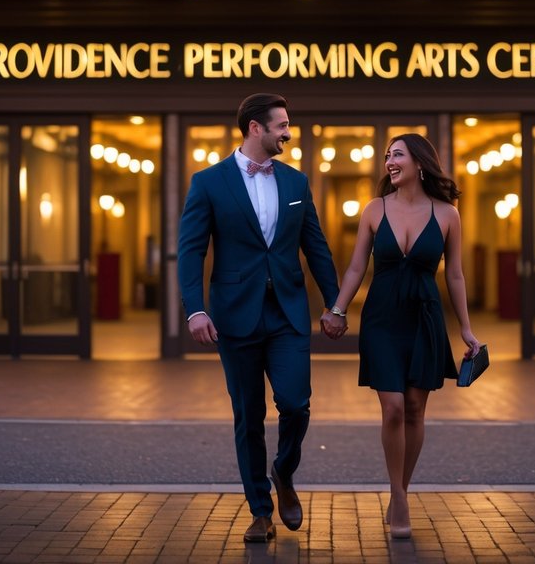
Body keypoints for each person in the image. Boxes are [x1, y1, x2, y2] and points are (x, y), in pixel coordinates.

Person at [177, 93, 346, 544]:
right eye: (282, 125)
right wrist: (195, 309)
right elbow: (190, 250)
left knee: (295, 403)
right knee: (248, 415)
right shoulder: (208, 182)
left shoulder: (296, 182)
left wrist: (335, 304)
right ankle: (260, 511)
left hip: (288, 313)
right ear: (256, 127)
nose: (288, 132)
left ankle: (283, 469)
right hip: (236, 316)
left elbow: (316, 246)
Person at [330, 133, 481, 540]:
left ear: (420, 162)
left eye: (397, 154)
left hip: (425, 318)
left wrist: (466, 328)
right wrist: (338, 310)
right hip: (381, 318)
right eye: (387, 156)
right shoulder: (374, 209)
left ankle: (401, 489)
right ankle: (398, 496)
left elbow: (455, 275)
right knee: (393, 407)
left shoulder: (447, 214)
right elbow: (356, 268)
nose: (389, 162)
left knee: (415, 408)